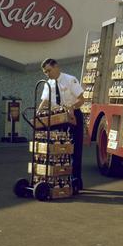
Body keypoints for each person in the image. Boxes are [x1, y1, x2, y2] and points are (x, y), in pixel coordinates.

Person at [38, 58, 85, 190]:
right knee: (59, 149)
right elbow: (45, 101)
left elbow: (82, 99)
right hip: (58, 117)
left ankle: (76, 181)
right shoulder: (49, 84)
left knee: (75, 149)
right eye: (45, 72)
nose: (47, 74)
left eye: (49, 70)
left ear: (56, 67)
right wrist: (37, 113)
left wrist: (72, 107)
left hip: (73, 115)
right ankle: (60, 180)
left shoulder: (70, 80)